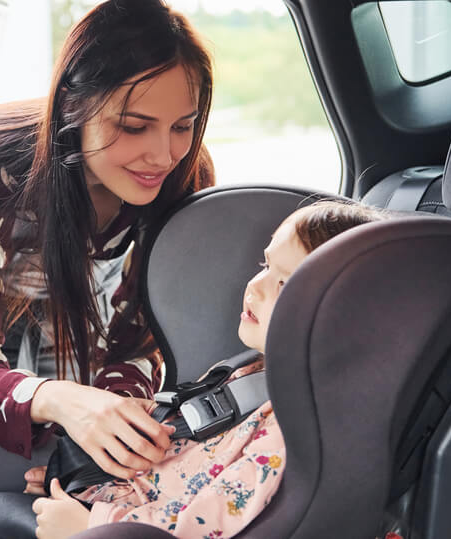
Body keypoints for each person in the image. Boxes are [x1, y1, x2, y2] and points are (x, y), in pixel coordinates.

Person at [0, 0, 216, 483]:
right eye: (133, 126)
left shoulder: (187, 174)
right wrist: (59, 401)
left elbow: (139, 341)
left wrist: (107, 429)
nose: (163, 155)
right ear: (72, 109)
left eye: (183, 126)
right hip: (11, 289)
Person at [27, 201, 389, 539]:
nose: (254, 288)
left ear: (341, 317)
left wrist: (90, 525)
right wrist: (91, 474)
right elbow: (191, 452)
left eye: (284, 283)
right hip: (128, 497)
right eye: (265, 267)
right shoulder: (255, 371)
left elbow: (200, 528)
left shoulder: (292, 434)